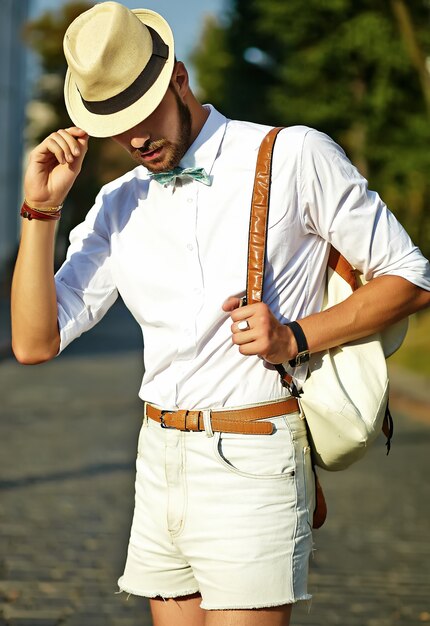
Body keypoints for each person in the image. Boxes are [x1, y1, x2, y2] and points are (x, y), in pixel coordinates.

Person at [11, 2, 430, 625]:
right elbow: (33, 342)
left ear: (178, 78)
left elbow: (411, 277)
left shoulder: (289, 157)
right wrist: (40, 213)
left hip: (253, 452)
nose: (135, 140)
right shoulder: (116, 204)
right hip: (158, 458)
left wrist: (293, 336)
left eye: (142, 115)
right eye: (115, 126)